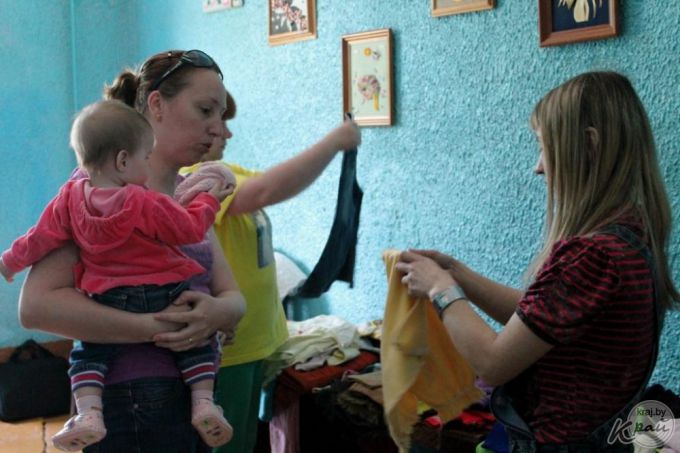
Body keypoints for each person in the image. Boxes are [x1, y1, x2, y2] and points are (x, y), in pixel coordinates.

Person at [396, 71, 679, 452]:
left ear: (589, 146)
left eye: (545, 148)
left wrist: (440, 289)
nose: (538, 166)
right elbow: (540, 320)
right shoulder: (630, 235)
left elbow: (492, 363)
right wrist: (457, 273)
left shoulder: (591, 255)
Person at [17, 49, 246, 453]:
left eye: (221, 116)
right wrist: (155, 327)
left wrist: (218, 313)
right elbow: (36, 307)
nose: (219, 129)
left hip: (193, 397)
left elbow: (230, 294)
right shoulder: (95, 193)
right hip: (129, 403)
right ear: (156, 104)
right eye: (206, 110)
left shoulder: (190, 192)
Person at [181, 91, 361, 453]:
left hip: (256, 341)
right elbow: (266, 190)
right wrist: (334, 142)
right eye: (214, 118)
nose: (227, 133)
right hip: (230, 350)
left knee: (246, 442)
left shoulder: (228, 173)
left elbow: (274, 183)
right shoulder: (194, 180)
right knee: (227, 446)